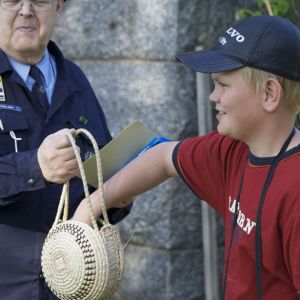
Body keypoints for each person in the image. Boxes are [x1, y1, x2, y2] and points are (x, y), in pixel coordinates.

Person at [73, 16, 300, 299]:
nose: (212, 97)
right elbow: (163, 157)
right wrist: (89, 207)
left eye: (223, 85)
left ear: (269, 93)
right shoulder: (230, 150)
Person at [0, 0, 131, 299]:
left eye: (39, 1)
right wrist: (36, 167)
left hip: (73, 285)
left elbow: (99, 172)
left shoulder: (75, 79)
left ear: (58, 8)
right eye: (12, 1)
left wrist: (121, 191)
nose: (25, 10)